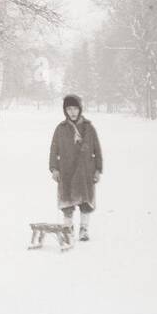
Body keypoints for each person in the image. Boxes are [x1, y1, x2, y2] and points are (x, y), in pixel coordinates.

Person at [49, 93, 103, 241]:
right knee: (67, 202)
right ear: (65, 111)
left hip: (86, 170)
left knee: (85, 202)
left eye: (75, 108)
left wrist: (98, 169)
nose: (72, 112)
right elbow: (54, 150)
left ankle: (84, 229)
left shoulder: (88, 128)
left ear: (80, 109)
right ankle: (68, 228)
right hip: (66, 170)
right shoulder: (60, 129)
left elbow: (97, 149)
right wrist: (54, 169)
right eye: (69, 109)